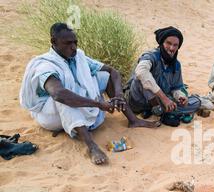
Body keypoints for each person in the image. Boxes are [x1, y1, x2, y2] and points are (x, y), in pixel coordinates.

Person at [19, 23, 159, 165]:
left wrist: (118, 95)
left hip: (74, 106)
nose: (73, 47)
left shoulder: (78, 56)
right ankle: (92, 147)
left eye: (75, 42)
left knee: (104, 76)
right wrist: (98, 104)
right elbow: (58, 94)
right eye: (68, 43)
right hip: (50, 116)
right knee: (64, 98)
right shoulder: (46, 65)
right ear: (54, 42)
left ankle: (133, 120)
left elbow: (113, 72)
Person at [125, 26, 200, 120]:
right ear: (162, 43)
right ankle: (159, 109)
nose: (172, 48)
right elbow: (141, 72)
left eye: (175, 45)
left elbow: (175, 88)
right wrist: (164, 98)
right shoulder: (150, 56)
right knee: (141, 78)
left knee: (196, 101)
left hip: (160, 101)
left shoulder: (176, 65)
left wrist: (180, 96)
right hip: (137, 100)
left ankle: (157, 110)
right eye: (168, 43)